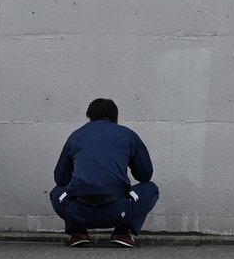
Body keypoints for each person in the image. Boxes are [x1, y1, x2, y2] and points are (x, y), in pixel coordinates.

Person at [49, 97, 159, 247]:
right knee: (150, 188)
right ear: (116, 118)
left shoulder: (76, 136)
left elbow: (60, 179)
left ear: (89, 117)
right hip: (118, 210)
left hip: (78, 212)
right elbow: (145, 175)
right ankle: (122, 232)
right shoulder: (127, 135)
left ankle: (78, 232)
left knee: (57, 192)